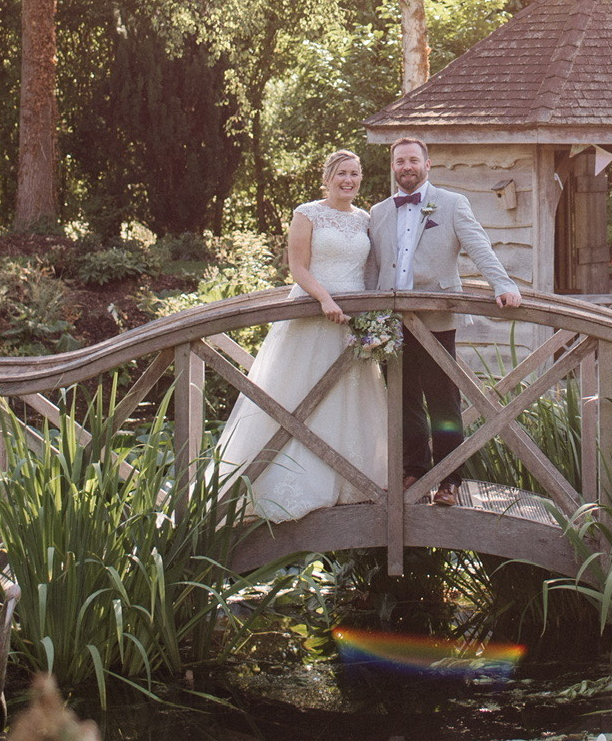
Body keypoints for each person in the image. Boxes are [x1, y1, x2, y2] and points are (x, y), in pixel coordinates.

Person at [215, 149, 389, 522]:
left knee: (347, 398)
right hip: (313, 312)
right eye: (342, 173)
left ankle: (350, 483)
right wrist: (325, 299)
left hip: (353, 322)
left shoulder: (365, 219)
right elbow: (298, 267)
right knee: (299, 398)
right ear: (327, 178)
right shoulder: (306, 213)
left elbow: (370, 268)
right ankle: (280, 485)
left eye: (355, 174)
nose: (349, 180)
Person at [362, 138, 523, 507]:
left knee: (443, 402)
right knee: (403, 401)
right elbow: (373, 268)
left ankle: (449, 480)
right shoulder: (379, 211)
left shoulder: (451, 204)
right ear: (392, 166)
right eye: (400, 161)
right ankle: (414, 472)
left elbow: (478, 245)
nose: (407, 166)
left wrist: (504, 284)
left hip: (437, 319)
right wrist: (366, 316)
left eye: (413, 160)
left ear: (427, 164)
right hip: (391, 324)